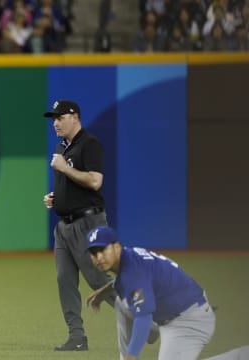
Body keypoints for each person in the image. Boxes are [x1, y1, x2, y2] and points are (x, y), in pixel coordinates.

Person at [42, 99, 116, 351]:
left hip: (88, 222)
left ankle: (143, 319)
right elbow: (71, 183)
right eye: (53, 118)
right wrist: (55, 197)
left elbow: (95, 181)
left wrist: (64, 167)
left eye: (60, 117)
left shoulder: (89, 145)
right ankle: (77, 337)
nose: (55, 123)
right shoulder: (61, 147)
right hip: (64, 227)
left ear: (74, 117)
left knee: (97, 280)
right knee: (65, 280)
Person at [85, 226, 216, 360]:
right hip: (173, 312)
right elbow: (129, 280)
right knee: (121, 302)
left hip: (188, 321)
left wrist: (132, 355)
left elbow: (143, 317)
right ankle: (133, 349)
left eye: (103, 250)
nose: (99, 257)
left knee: (139, 313)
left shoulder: (133, 274)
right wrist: (104, 291)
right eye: (94, 253)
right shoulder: (129, 257)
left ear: (117, 247)